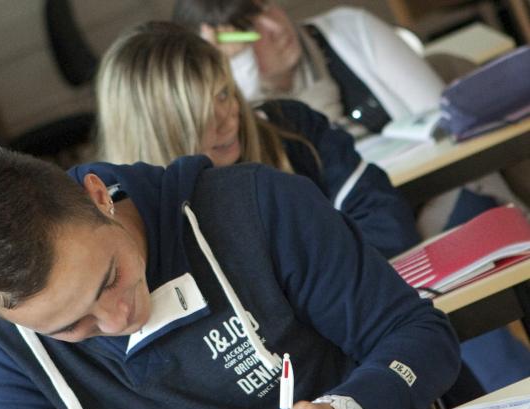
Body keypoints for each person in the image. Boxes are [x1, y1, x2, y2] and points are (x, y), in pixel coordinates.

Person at [0, 147, 460, 409]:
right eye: (73, 327)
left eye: (110, 278)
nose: (118, 319)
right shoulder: (9, 347)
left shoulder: (255, 207)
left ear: (99, 197)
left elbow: (420, 336)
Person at [172, 0, 530, 394]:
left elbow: (447, 120)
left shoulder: (348, 32)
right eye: (247, 30)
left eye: (267, 8)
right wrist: (242, 77)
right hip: (365, 254)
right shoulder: (243, 123)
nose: (273, 28)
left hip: (437, 206)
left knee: (469, 336)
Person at [96, 21, 419, 259]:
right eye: (198, 114)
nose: (227, 120)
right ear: (151, 130)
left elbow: (388, 224)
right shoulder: (133, 223)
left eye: (224, 94)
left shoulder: (292, 128)